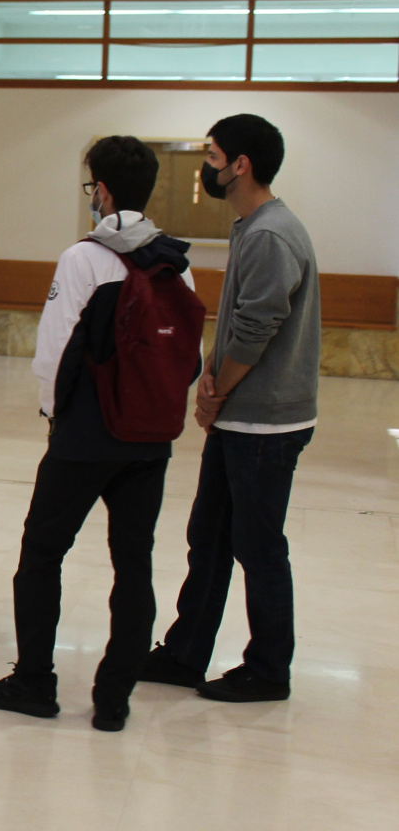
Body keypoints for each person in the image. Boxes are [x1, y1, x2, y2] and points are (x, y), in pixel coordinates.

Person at [0, 135, 200, 732]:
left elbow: (53, 351)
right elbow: (187, 355)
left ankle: (34, 683)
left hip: (87, 434)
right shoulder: (175, 260)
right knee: (134, 562)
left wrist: (55, 416)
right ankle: (114, 698)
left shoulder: (84, 258)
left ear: (101, 189)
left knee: (43, 553)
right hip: (149, 436)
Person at [140, 114, 319, 703]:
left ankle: (269, 670)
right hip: (244, 415)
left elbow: (256, 326)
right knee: (210, 536)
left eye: (213, 155)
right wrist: (214, 382)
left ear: (240, 164)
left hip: (265, 422)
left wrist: (215, 389)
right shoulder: (255, 226)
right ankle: (187, 653)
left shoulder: (270, 233)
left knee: (258, 545)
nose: (206, 166)